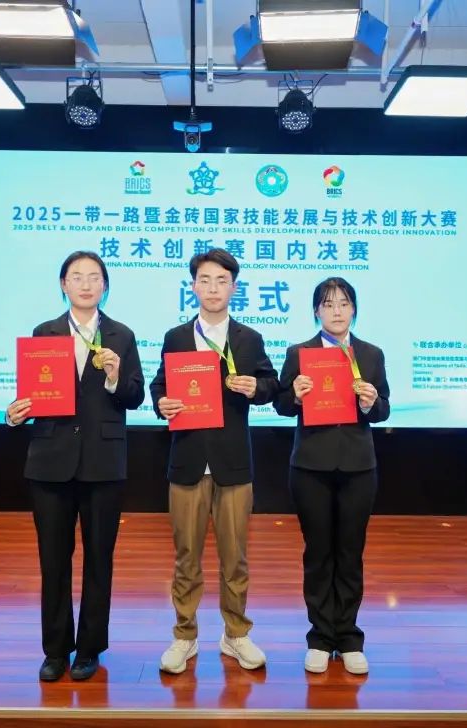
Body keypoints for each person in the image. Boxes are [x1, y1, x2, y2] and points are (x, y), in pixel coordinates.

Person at [5, 250, 144, 682]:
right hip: (51, 460)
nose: (86, 284)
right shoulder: (44, 333)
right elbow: (34, 394)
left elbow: (136, 395)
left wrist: (115, 377)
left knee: (99, 559)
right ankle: (55, 649)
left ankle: (89, 648)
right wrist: (15, 413)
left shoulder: (121, 335)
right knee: (53, 560)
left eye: (94, 277)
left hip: (103, 462)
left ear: (105, 286)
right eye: (77, 276)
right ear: (63, 285)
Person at [149, 248, 280, 674]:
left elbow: (272, 384)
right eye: (204, 280)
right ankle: (184, 635)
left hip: (233, 463)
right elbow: (159, 386)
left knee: (234, 556)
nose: (212, 288)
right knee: (186, 555)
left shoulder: (248, 338)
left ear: (233, 288)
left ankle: (236, 633)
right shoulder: (176, 336)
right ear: (193, 286)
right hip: (187, 460)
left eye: (221, 281)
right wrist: (162, 403)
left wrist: (255, 388)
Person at [273, 277, 390, 675]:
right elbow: (282, 405)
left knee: (350, 553)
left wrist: (371, 402)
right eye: (328, 304)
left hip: (358, 467)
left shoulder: (371, 354)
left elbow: (384, 409)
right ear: (316, 311)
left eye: (343, 303)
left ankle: (350, 637)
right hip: (311, 468)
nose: (337, 311)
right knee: (319, 553)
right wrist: (295, 394)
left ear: (353, 309)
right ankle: (321, 638)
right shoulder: (300, 353)